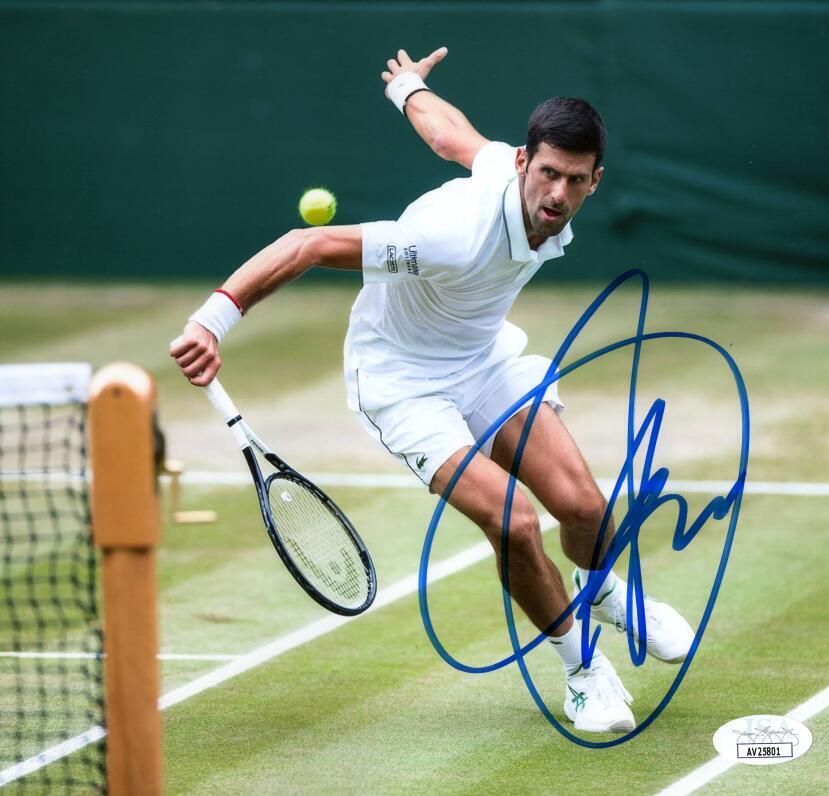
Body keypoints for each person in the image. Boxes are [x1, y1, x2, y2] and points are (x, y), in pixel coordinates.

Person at [170, 47, 694, 734]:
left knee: (586, 507)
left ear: (596, 180)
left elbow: (450, 135)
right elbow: (308, 244)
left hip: (482, 360)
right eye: (546, 175)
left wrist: (408, 86)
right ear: (522, 165)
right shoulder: (448, 236)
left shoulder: (530, 180)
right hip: (403, 383)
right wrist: (214, 319)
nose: (556, 195)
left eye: (573, 180)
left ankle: (603, 592)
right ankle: (582, 670)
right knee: (514, 521)